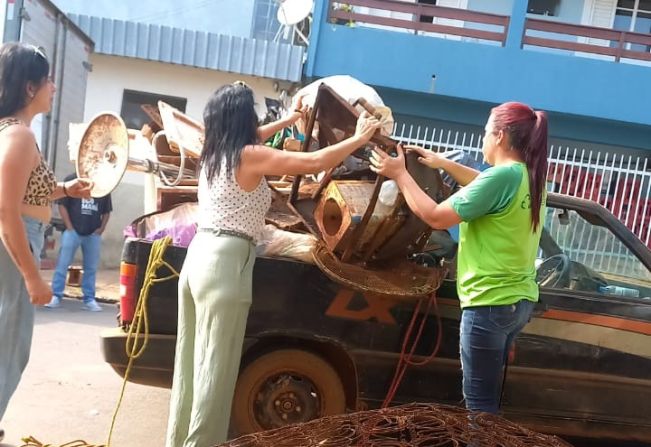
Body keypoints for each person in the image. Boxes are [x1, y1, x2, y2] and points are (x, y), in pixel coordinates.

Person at [165, 82, 381, 447]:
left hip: (198, 258)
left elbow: (261, 134)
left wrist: (292, 119)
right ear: (242, 119)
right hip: (226, 263)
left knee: (190, 365)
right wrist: (358, 138)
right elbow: (314, 162)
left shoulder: (213, 152)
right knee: (216, 371)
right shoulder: (250, 156)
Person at [370, 101, 548, 415]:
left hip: (488, 302)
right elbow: (484, 185)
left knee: (479, 409)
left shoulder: (501, 178)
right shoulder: (528, 177)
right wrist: (442, 163)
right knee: (488, 404)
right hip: (516, 302)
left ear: (500, 136)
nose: (482, 139)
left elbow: (436, 217)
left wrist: (400, 175)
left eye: (484, 132)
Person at [0, 42, 92, 440]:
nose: (54, 87)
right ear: (28, 88)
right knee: (9, 347)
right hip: (16, 243)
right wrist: (32, 276)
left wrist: (64, 189)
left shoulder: (13, 132)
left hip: (20, 237)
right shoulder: (18, 136)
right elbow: (6, 212)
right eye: (49, 80)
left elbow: (26, 193)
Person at [45, 173, 112, 311]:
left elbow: (106, 210)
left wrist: (101, 228)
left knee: (91, 268)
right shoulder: (72, 180)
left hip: (93, 233)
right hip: (73, 231)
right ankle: (56, 295)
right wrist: (69, 227)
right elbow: (62, 205)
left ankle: (89, 299)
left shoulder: (103, 185)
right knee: (62, 265)